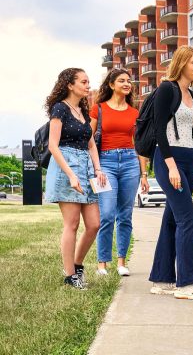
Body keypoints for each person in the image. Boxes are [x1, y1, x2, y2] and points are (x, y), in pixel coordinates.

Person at [147, 46, 193, 300]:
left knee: (172, 220)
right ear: (182, 64)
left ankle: (162, 280)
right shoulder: (167, 89)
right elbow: (159, 131)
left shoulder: (192, 96)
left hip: (187, 160)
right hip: (169, 160)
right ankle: (187, 284)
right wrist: (172, 166)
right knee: (187, 219)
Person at [45, 68, 106, 289]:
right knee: (72, 224)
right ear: (70, 85)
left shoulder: (82, 110)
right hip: (66, 167)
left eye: (88, 82)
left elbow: (91, 144)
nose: (88, 85)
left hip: (87, 168)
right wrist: (71, 175)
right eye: (83, 82)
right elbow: (53, 145)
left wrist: (98, 169)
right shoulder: (60, 108)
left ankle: (77, 264)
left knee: (94, 224)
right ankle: (70, 275)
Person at [89, 68, 141, 277]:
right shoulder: (98, 109)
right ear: (111, 85)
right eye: (122, 80)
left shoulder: (134, 112)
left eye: (129, 80)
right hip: (106, 163)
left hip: (130, 163)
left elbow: (139, 144)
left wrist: (144, 174)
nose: (127, 84)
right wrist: (96, 168)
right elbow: (89, 140)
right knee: (108, 214)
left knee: (125, 215)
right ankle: (102, 264)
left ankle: (121, 262)